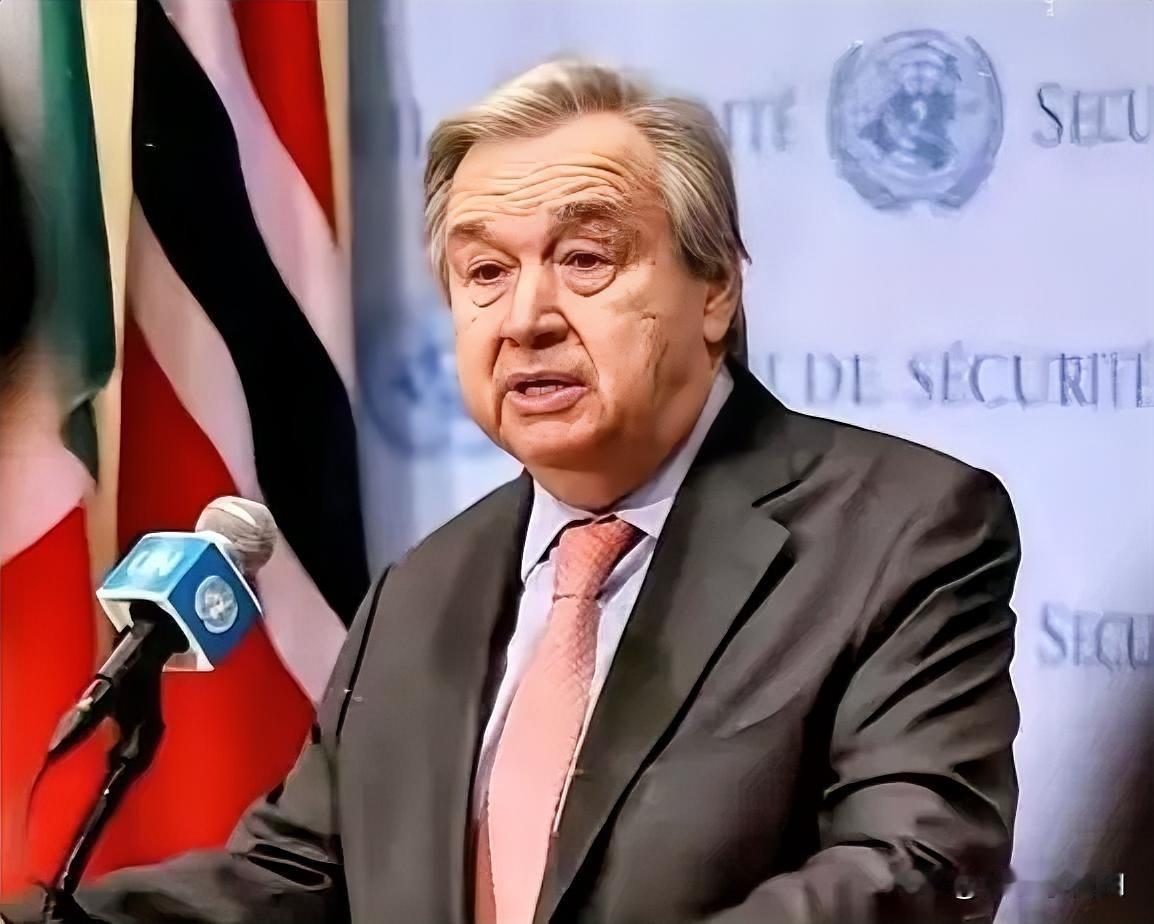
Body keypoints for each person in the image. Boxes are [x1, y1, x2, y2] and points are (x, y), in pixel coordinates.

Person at [1, 59, 1021, 924]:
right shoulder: (422, 589)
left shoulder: (899, 532)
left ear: (715, 289)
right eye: (484, 272)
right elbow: (298, 877)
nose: (527, 316)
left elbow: (915, 864)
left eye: (585, 259)